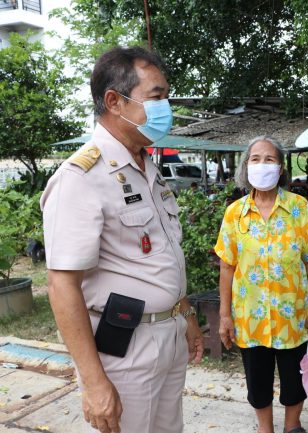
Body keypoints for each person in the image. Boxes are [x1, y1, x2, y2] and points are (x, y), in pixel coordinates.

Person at [41, 47, 204, 433]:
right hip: (125, 347)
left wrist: (186, 314)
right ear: (115, 102)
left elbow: (161, 254)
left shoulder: (149, 169)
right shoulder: (81, 177)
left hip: (170, 337)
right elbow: (62, 284)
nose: (167, 106)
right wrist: (95, 382)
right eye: (157, 96)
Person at [214, 136, 308, 433]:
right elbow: (227, 266)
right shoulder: (235, 213)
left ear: (281, 168)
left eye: (269, 159)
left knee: (294, 379)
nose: (262, 165)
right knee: (258, 382)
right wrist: (225, 316)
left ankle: (293, 426)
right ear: (245, 166)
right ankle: (265, 429)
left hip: (293, 315)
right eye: (255, 159)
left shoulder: (300, 208)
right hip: (249, 318)